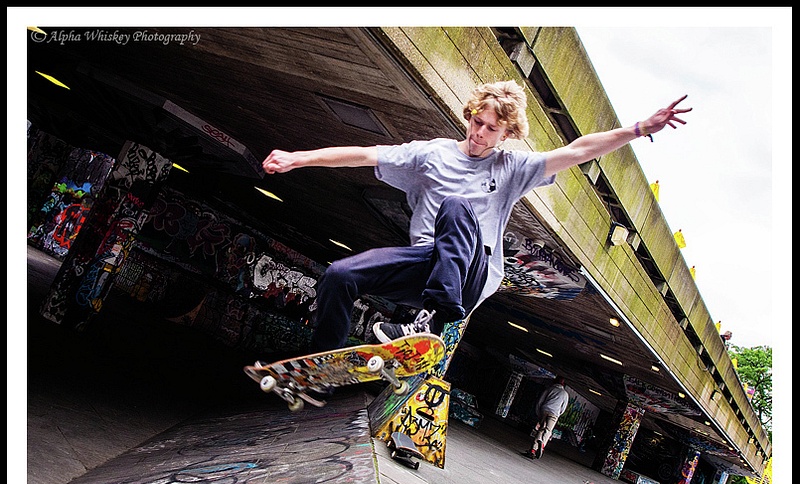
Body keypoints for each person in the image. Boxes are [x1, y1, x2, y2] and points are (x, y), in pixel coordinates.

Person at [262, 81, 692, 353]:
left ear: (507, 133)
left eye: (490, 128)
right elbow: (364, 154)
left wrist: (639, 129)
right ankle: (319, 360)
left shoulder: (512, 167)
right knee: (341, 274)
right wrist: (299, 158)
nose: (478, 132)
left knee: (455, 206)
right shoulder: (432, 153)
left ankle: (428, 321)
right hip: (424, 267)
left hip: (470, 277)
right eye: (476, 121)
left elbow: (578, 150)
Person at [521, 375, 570, 459]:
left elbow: (540, 401)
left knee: (541, 429)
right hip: (554, 413)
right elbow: (563, 408)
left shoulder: (549, 389)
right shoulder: (565, 394)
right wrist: (557, 414)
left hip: (544, 410)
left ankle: (532, 450)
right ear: (563, 384)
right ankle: (542, 445)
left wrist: (539, 413)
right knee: (548, 430)